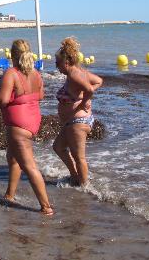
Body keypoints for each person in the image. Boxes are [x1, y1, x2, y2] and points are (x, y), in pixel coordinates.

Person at [0, 39, 54, 216]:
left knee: (29, 166)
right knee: (13, 158)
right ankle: (9, 195)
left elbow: (3, 100)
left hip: (18, 125)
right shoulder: (36, 73)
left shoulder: (11, 73)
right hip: (32, 120)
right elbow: (41, 96)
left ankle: (46, 207)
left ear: (12, 56)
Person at [52, 37, 103, 186]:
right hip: (72, 122)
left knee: (79, 157)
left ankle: (83, 187)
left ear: (66, 63)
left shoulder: (75, 75)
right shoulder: (78, 72)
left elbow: (88, 89)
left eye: (58, 63)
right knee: (58, 147)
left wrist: (85, 100)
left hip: (78, 122)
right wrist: (85, 97)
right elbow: (99, 81)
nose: (56, 67)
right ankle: (75, 176)